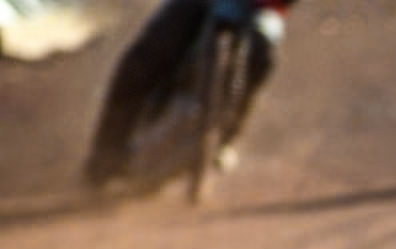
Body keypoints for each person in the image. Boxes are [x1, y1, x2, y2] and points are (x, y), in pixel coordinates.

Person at [84, 0, 294, 188]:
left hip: (261, 8)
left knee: (261, 57)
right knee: (146, 57)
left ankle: (228, 137)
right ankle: (106, 153)